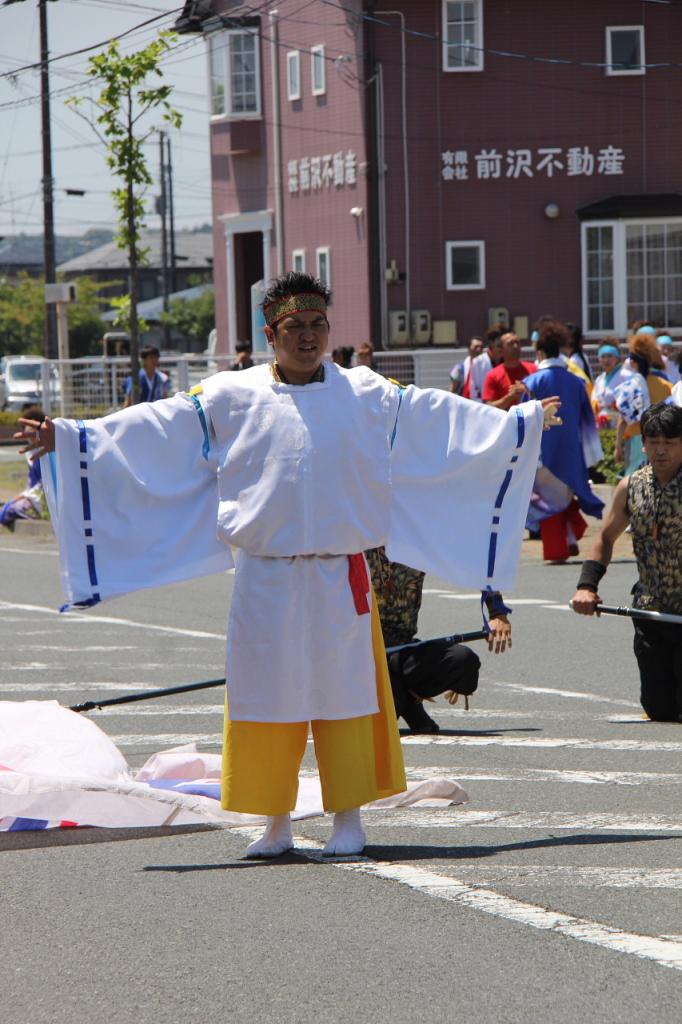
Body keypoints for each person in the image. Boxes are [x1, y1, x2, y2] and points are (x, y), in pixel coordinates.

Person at [17, 271, 560, 860]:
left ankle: (348, 818)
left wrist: (516, 425)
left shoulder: (367, 393)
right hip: (264, 573)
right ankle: (274, 822)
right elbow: (156, 427)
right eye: (294, 327)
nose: (307, 336)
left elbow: (440, 419)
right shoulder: (230, 394)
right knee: (264, 696)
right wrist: (70, 437)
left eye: (317, 325)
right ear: (270, 334)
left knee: (345, 697)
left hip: (339, 571)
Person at [571, 403, 682, 722]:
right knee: (660, 710)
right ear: (643, 443)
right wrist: (587, 586)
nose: (660, 451)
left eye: (670, 443)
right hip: (650, 612)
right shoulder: (630, 487)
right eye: (653, 442)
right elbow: (605, 539)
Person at [366, 546, 512, 734]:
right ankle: (406, 704)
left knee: (462, 660)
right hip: (359, 655)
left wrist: (497, 612)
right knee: (382, 709)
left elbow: (472, 552)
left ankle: (407, 699)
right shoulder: (354, 543)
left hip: (404, 648)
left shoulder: (418, 540)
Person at [523, 319, 604, 562]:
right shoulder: (576, 382)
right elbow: (588, 420)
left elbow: (523, 419)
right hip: (571, 450)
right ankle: (571, 537)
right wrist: (591, 454)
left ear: (540, 352)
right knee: (564, 495)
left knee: (547, 502)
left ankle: (558, 549)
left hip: (542, 451)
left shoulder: (533, 382)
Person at [482, 331, 536, 410]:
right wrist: (510, 397)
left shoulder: (534, 370)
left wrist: (526, 393)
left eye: (518, 343)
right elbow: (488, 408)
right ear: (501, 350)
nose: (515, 346)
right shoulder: (493, 375)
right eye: (510, 343)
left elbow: (542, 399)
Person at [462, 324, 506, 401]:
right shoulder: (478, 362)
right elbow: (472, 392)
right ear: (491, 343)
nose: (502, 347)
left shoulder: (508, 361)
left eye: (505, 344)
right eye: (499, 344)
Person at [592, 341, 628, 429]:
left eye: (609, 356)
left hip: (620, 421)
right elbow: (594, 399)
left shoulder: (624, 375)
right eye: (602, 356)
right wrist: (597, 405)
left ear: (617, 358)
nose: (606, 360)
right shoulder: (599, 379)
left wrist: (618, 404)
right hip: (602, 421)